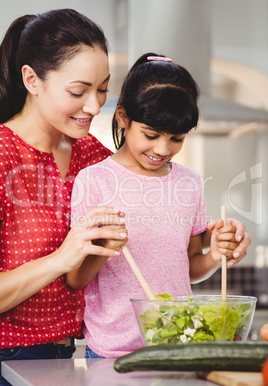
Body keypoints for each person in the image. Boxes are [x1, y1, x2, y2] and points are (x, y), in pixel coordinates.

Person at [67, 53, 251, 359]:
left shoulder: (189, 183)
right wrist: (106, 246)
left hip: (176, 344)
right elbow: (75, 279)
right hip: (113, 351)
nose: (163, 149)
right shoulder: (94, 180)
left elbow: (190, 267)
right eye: (151, 135)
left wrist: (216, 254)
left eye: (176, 138)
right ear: (123, 117)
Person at [0, 8, 128, 386]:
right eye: (78, 91)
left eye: (103, 88)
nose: (94, 106)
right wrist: (61, 258)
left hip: (68, 359)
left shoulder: (92, 154)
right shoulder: (3, 154)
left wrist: (207, 240)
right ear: (31, 80)